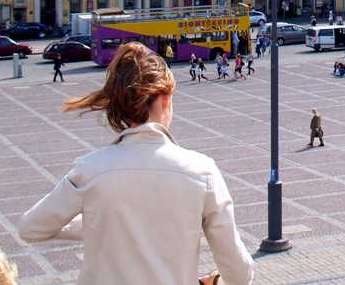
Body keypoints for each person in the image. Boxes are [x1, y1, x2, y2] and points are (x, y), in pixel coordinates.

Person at [17, 42, 253, 285]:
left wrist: (98, 220)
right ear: (165, 99)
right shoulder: (202, 172)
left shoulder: (89, 170)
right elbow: (238, 270)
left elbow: (30, 228)